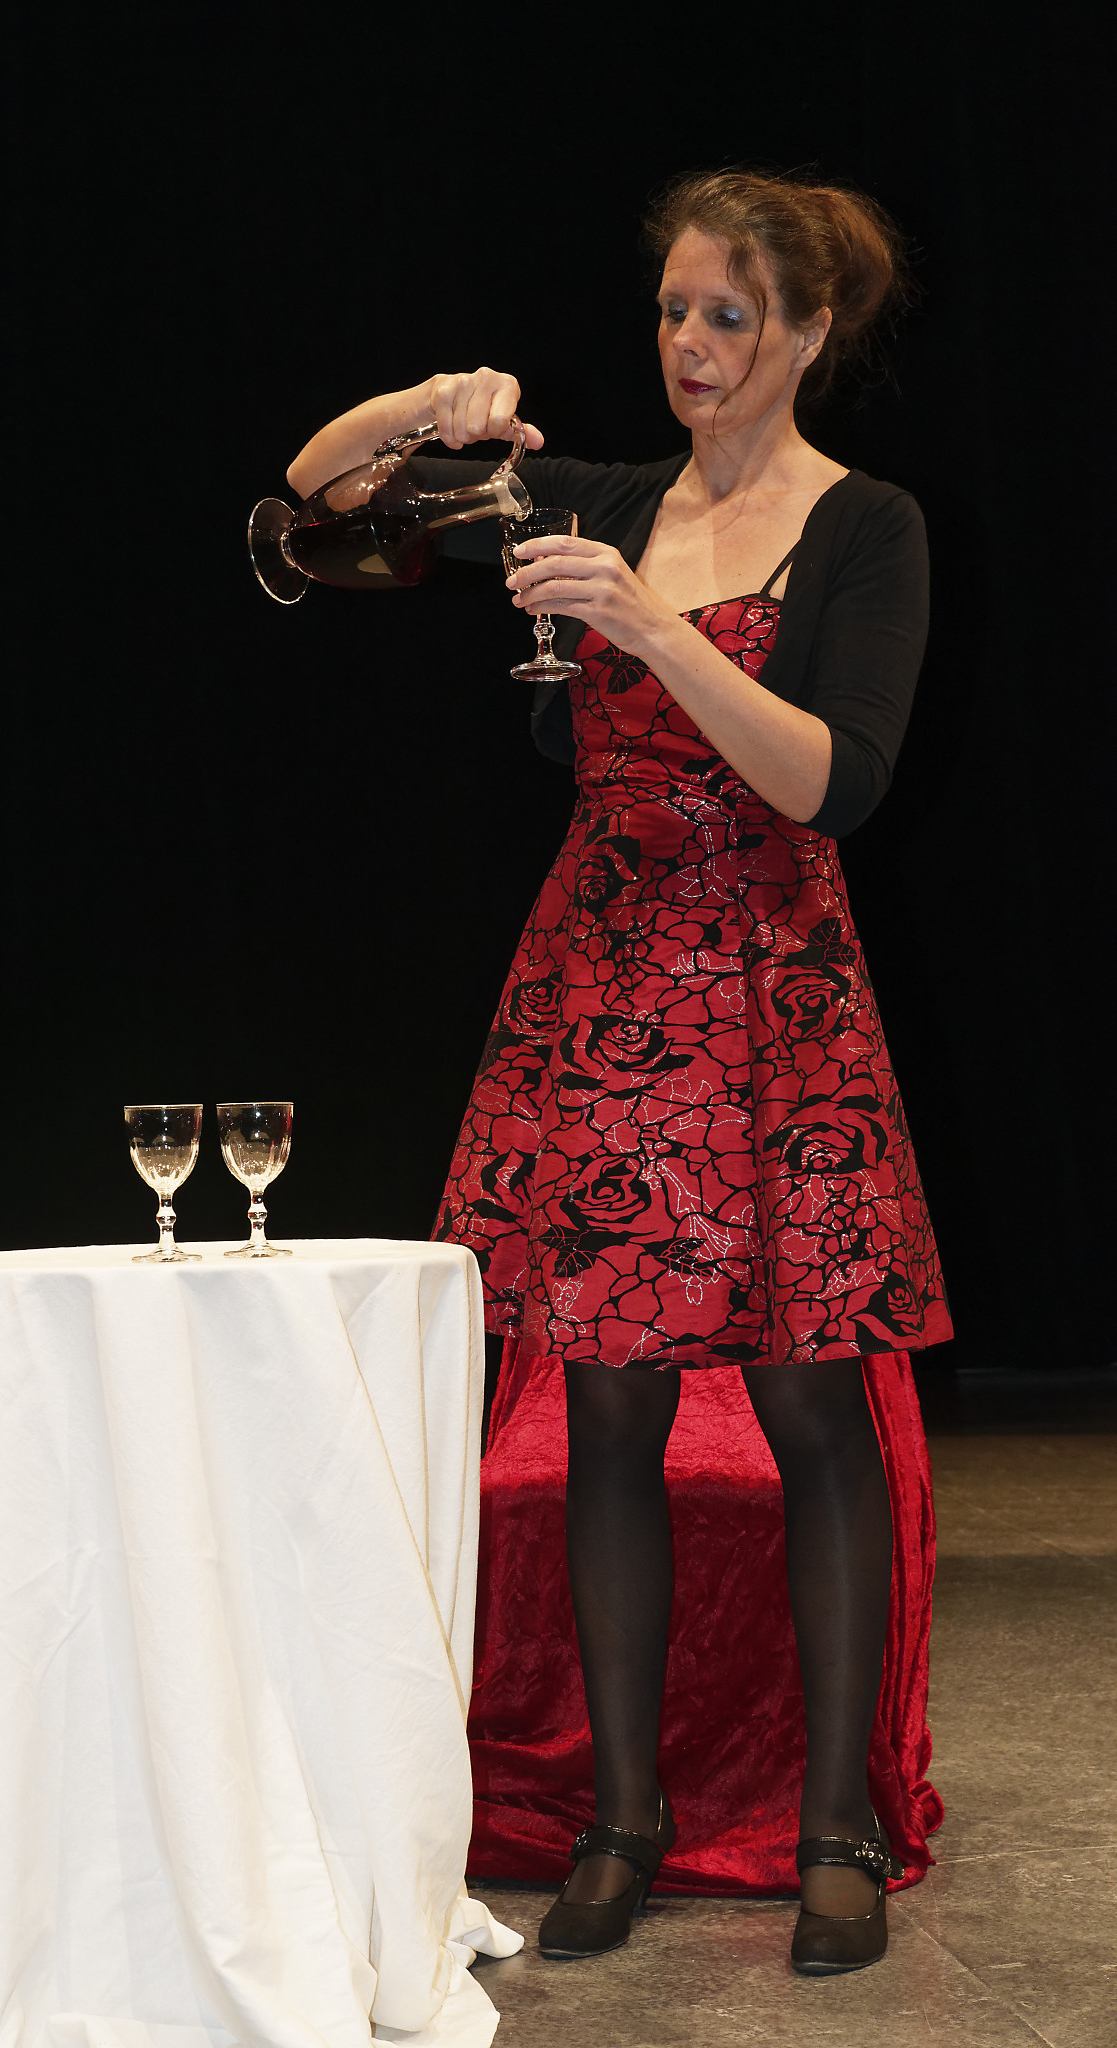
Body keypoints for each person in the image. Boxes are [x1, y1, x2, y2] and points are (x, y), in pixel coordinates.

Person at [287, 168, 952, 1976]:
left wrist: (649, 628)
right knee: (606, 1411)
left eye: (730, 315)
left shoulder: (866, 524)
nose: (691, 345)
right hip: (604, 985)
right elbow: (316, 501)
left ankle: (833, 1824)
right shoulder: (600, 497)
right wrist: (430, 407)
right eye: (673, 311)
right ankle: (625, 1819)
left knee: (814, 1406)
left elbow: (833, 782)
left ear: (809, 332)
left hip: (779, 990)